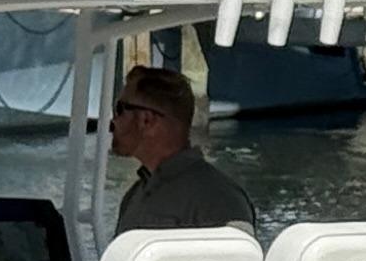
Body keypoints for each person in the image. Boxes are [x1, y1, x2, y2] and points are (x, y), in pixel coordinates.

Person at [109, 62, 259, 237]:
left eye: (119, 110)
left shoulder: (219, 199)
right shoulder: (134, 195)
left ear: (147, 120)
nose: (113, 122)